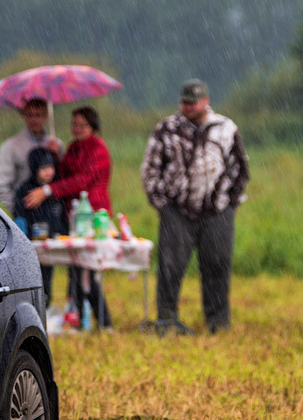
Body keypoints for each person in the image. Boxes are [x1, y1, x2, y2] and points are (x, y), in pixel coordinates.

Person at [140, 78, 250, 335]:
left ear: (205, 101)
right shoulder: (166, 129)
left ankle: (218, 322)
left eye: (193, 102)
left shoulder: (225, 128)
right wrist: (162, 205)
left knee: (217, 265)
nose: (188, 107)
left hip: (217, 211)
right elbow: (150, 169)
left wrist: (230, 203)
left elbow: (241, 169)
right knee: (170, 266)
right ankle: (167, 320)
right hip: (177, 210)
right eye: (185, 102)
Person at [24, 106, 114, 329]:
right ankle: (84, 320)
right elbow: (64, 174)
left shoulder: (98, 149)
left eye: (82, 124)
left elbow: (82, 180)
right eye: (74, 124)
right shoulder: (73, 147)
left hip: (93, 215)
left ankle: (102, 321)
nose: (77, 128)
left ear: (93, 126)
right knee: (77, 270)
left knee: (87, 271)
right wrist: (56, 155)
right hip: (73, 216)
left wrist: (49, 190)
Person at [13, 147, 67, 307]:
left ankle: (47, 306)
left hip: (52, 244)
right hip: (33, 246)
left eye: (50, 167)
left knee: (47, 278)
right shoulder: (25, 190)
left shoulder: (55, 191)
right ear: (34, 168)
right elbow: (19, 216)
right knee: (34, 279)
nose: (48, 172)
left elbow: (61, 216)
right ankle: (36, 307)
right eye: (43, 168)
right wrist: (22, 238)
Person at [0, 97, 62, 212]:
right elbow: (2, 186)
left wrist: (57, 156)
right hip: (25, 215)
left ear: (46, 116)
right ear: (23, 116)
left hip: (53, 214)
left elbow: (63, 179)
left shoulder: (56, 144)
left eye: (38, 115)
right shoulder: (10, 146)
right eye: (30, 115)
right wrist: (18, 210)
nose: (34, 120)